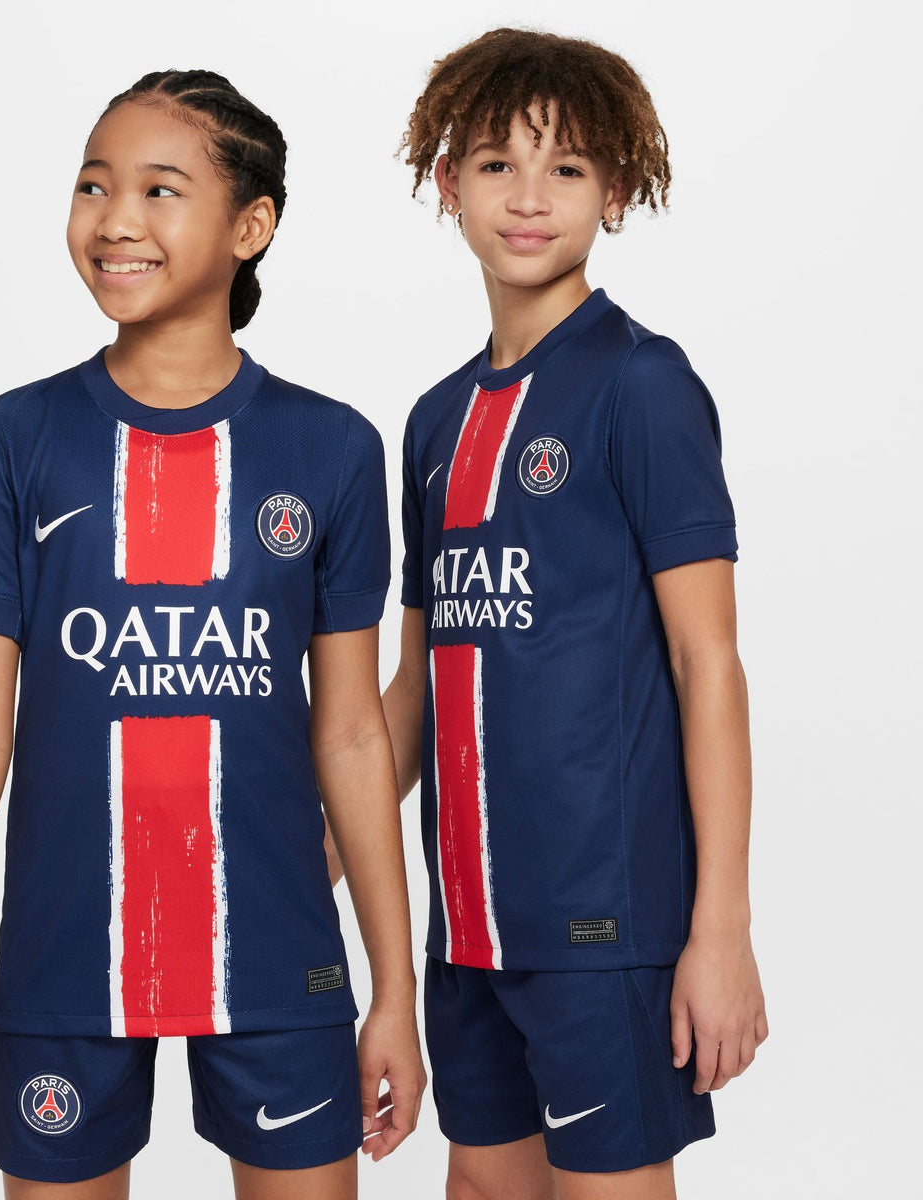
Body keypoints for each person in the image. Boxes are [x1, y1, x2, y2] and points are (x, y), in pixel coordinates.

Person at [0, 68, 425, 1200]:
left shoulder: (331, 449)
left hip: (278, 953)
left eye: (159, 190)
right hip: (66, 955)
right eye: (94, 185)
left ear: (251, 227)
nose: (115, 219)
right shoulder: (11, 440)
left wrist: (393, 989)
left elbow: (351, 736)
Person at [369, 28, 767, 1200]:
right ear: (447, 182)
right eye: (497, 164)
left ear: (617, 190)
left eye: (568, 168)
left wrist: (721, 928)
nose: (530, 197)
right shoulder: (435, 423)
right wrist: (307, 855)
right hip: (467, 931)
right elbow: (416, 686)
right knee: (482, 1187)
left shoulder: (643, 384)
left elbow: (707, 664)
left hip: (606, 930)